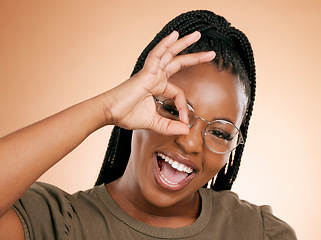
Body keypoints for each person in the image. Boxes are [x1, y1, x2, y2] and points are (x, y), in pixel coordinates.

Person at [0, 10, 296, 240]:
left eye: (220, 132)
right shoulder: (57, 223)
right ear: (137, 102)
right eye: (172, 109)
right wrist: (105, 109)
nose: (190, 142)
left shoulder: (259, 232)